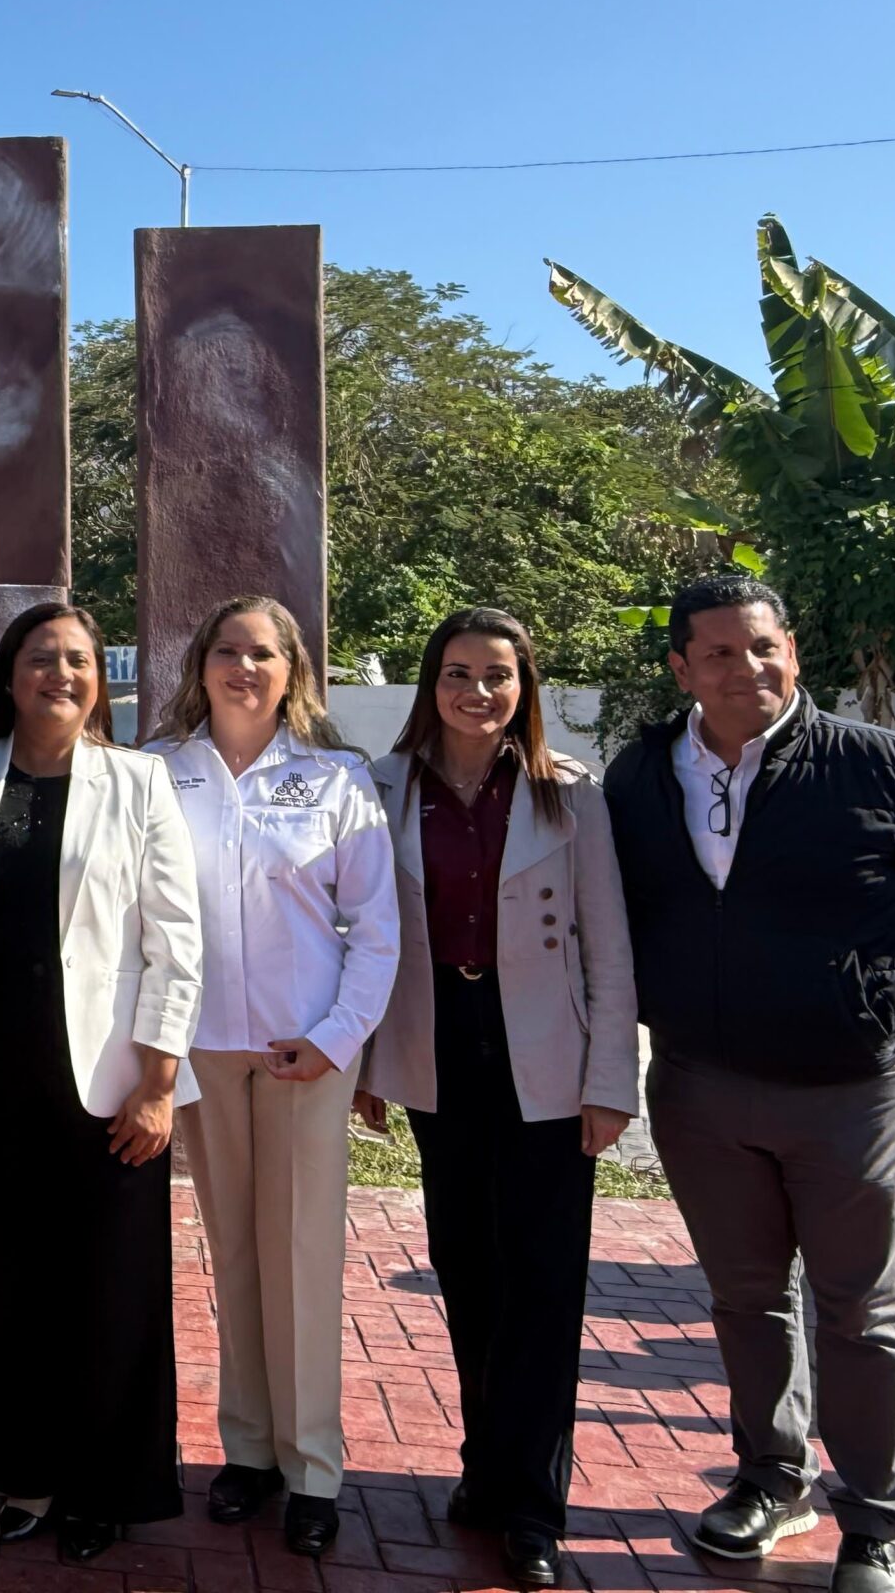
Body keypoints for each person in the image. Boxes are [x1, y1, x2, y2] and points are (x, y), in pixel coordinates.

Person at [601, 575, 895, 1593]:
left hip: (859, 1089)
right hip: (700, 1083)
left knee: (864, 1307)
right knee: (744, 1300)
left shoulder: (884, 766)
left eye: (764, 648)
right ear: (680, 667)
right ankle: (768, 1480)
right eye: (721, 654)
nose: (748, 670)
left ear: (793, 651)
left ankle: (877, 1523)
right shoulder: (642, 774)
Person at [353, 608, 638, 1587]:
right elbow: (359, 935)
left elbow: (607, 946)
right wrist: (364, 1065)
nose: (478, 692)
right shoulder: (383, 787)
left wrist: (610, 1084)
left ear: (527, 688)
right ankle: (485, 1462)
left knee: (544, 1282)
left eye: (499, 676)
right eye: (459, 673)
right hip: (441, 1051)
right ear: (429, 683)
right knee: (466, 1268)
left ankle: (531, 1502)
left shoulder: (568, 794)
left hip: (547, 1063)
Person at [140, 595, 398, 1559]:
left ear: (293, 670)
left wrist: (337, 1037)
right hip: (201, 1050)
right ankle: (247, 1453)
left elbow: (376, 928)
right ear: (200, 664)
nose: (244, 668)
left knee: (303, 1259)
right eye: (227, 651)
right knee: (235, 1255)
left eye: (263, 654)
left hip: (306, 1056)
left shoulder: (335, 780)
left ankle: (314, 1467)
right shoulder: (160, 773)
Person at [0, 603, 202, 1562]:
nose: (62, 673)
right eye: (42, 658)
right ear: (9, 676)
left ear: (102, 679)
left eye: (80, 660)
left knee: (113, 1285)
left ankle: (107, 1483)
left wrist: (160, 1081)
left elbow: (178, 941)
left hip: (111, 1082)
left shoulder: (137, 782)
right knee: (10, 1281)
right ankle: (23, 1469)